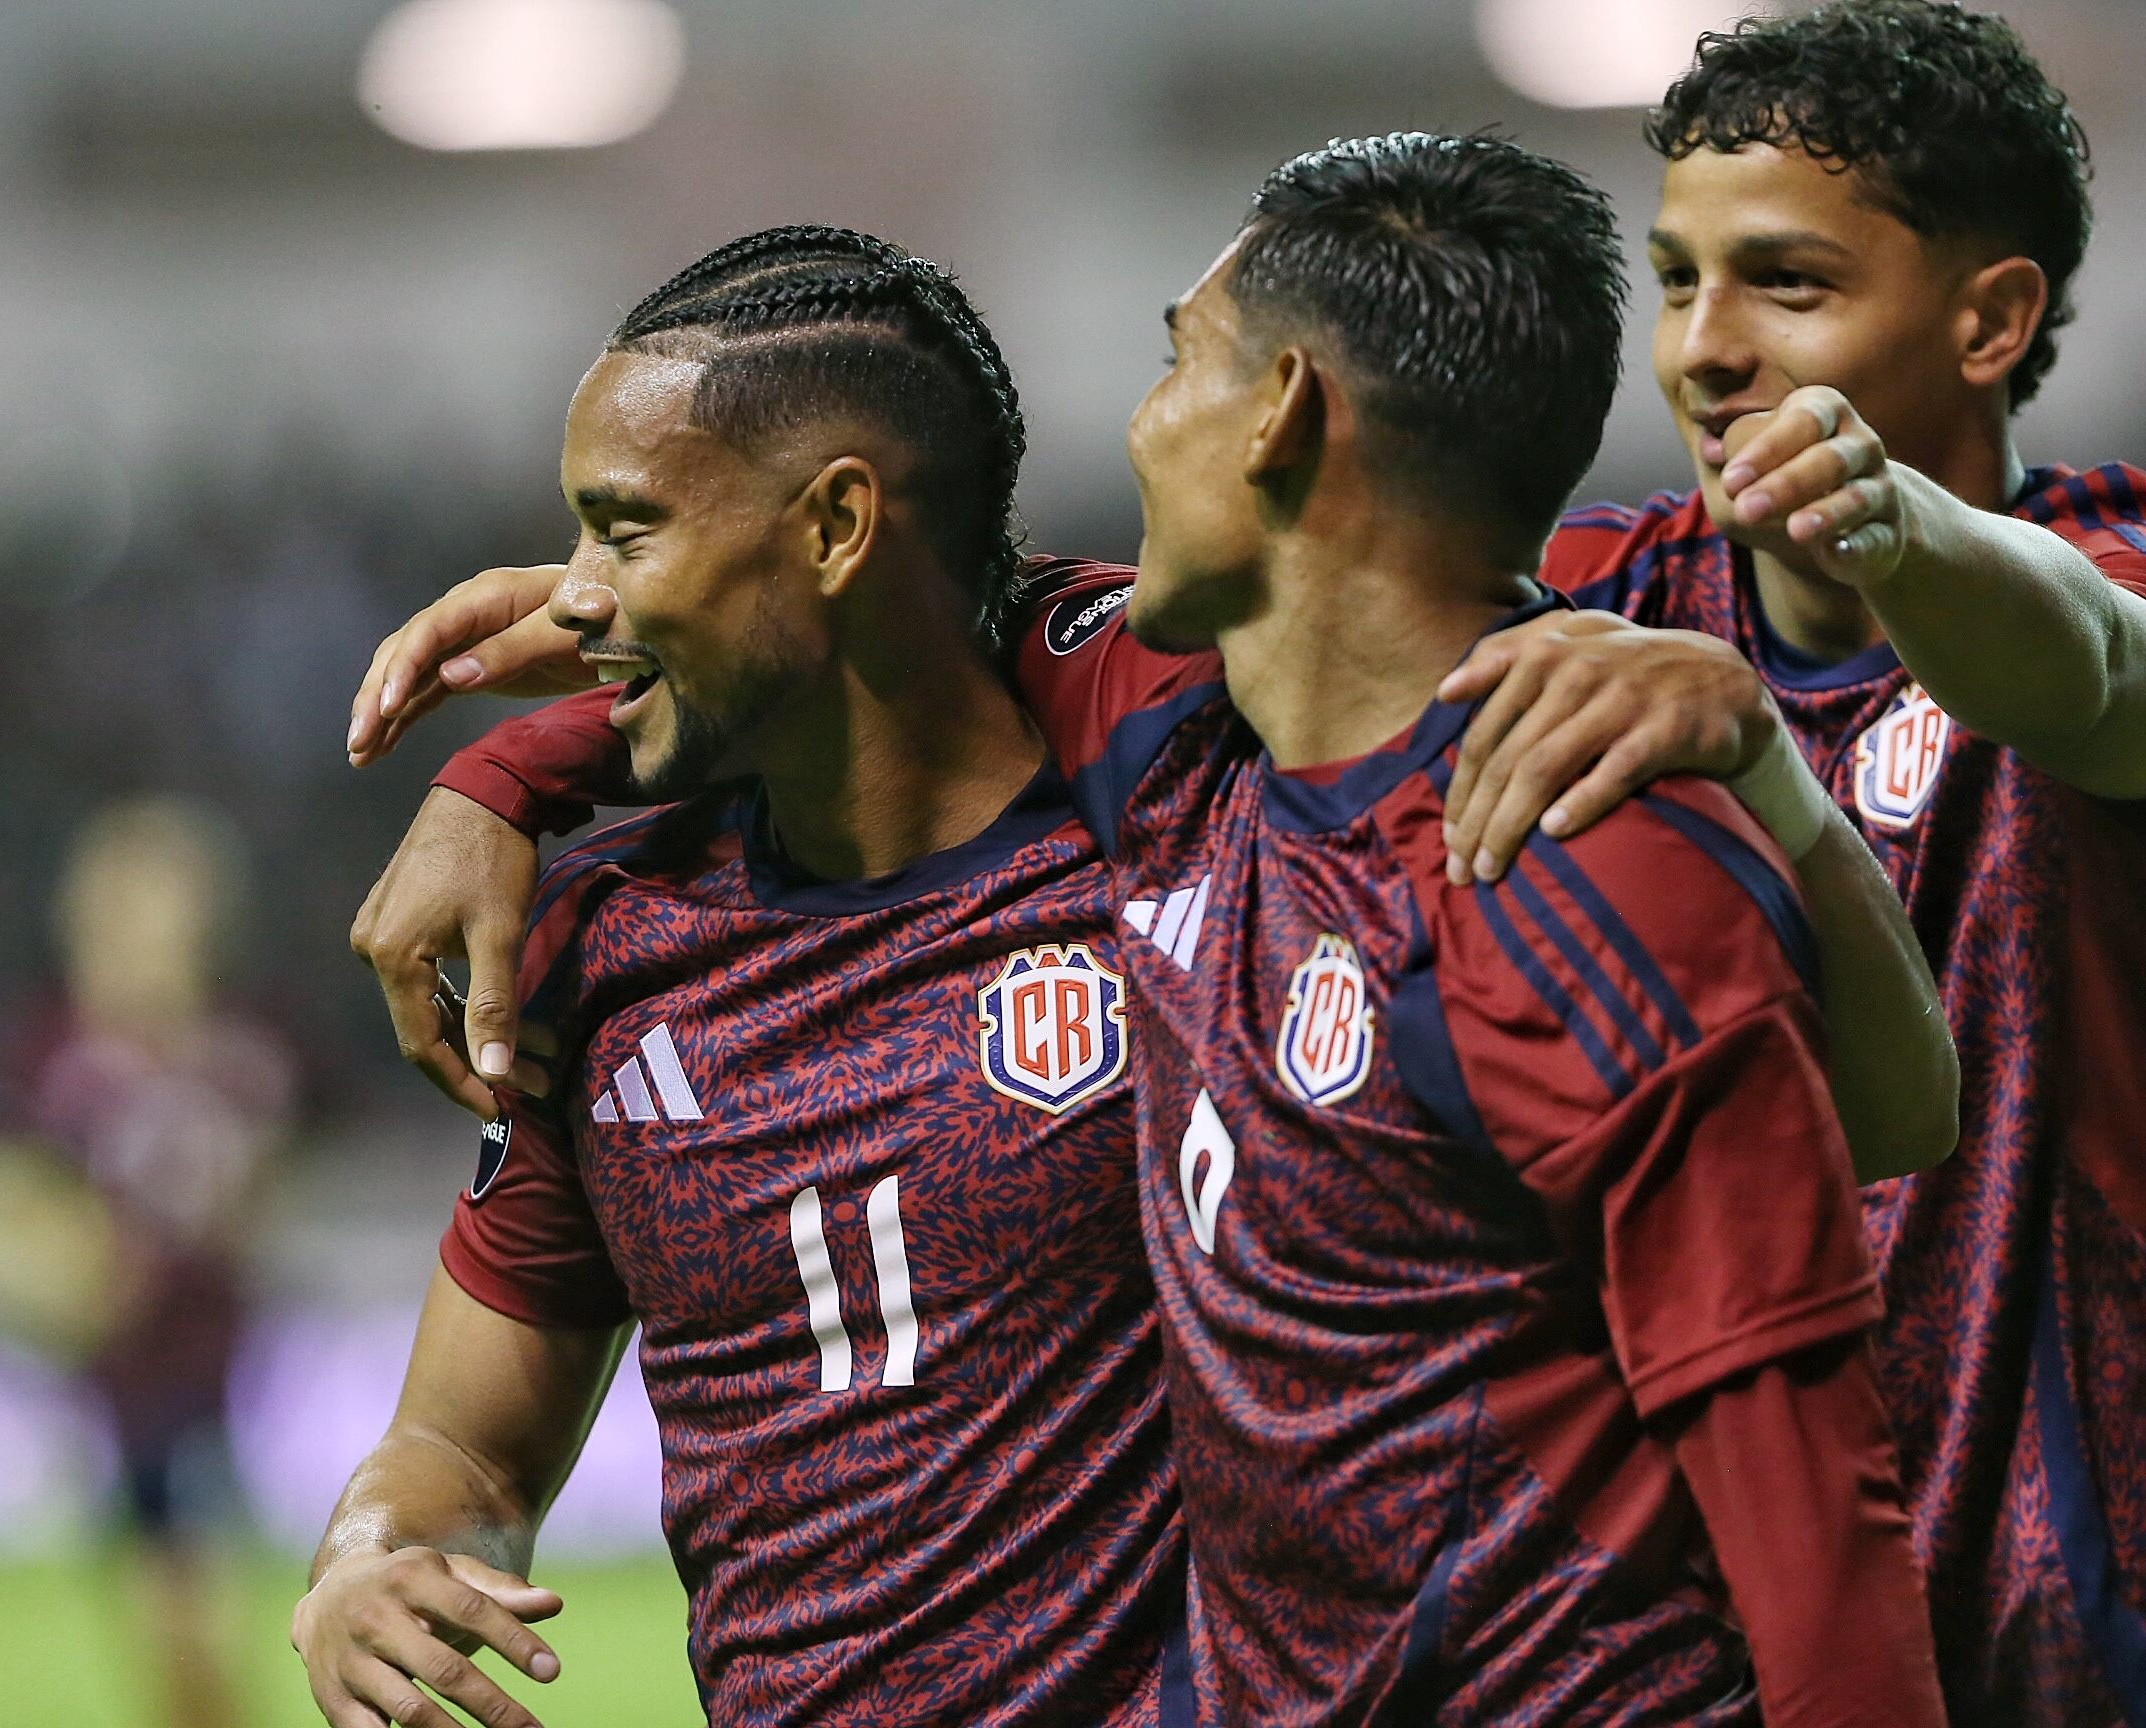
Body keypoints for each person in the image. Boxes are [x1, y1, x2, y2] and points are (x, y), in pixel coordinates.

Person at [343, 142, 1961, 1720]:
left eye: (1175, 362)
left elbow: (1831, 1466)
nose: (1134, 423)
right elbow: (918, 618)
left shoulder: (1397, 819)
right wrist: (513, 765)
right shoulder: (657, 929)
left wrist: (1754, 759)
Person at [294, 229, 1191, 1728]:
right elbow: (464, 1454)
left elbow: (1305, 624)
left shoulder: (1171, 844)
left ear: (838, 526)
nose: (563, 600)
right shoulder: (600, 950)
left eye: (621, 530)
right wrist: (370, 1561)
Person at [1420, 6, 2146, 1719]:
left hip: (2084, 1630)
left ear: (1988, 318)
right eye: (1677, 280)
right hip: (1734, 1635)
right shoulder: (1586, 613)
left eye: (1786, 284)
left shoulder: (2103, 561)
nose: (1702, 349)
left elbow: (2095, 669)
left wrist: (1894, 522)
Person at [0, 796, 295, 1728]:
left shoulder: (243, 1044)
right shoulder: (50, 1050)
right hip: (113, 1375)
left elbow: (271, 1179)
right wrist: (65, 1270)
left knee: (190, 1620)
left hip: (211, 1365)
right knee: (175, 1622)